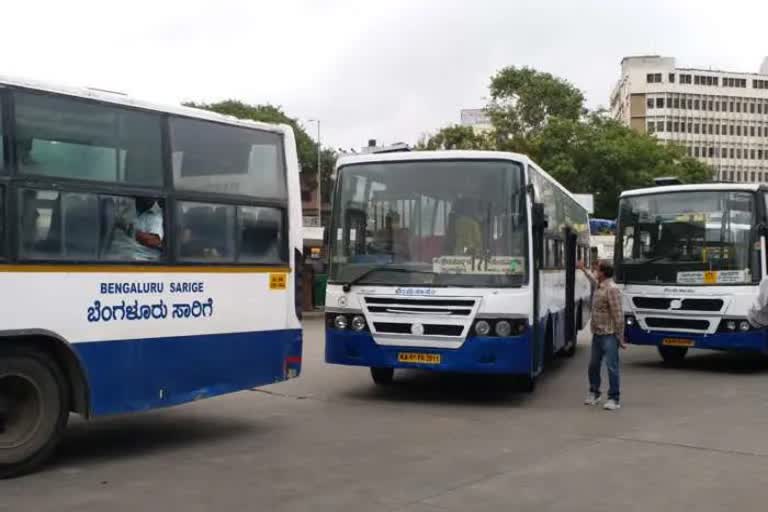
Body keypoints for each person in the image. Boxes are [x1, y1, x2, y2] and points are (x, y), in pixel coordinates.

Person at [577, 259, 626, 411]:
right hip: (597, 334)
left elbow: (618, 315)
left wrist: (620, 337)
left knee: (612, 367)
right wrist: (583, 269)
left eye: (597, 270)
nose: (595, 272)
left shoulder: (612, 289)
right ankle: (594, 393)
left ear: (603, 273)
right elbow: (592, 279)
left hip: (609, 335)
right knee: (593, 365)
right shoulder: (600, 285)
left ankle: (614, 398)